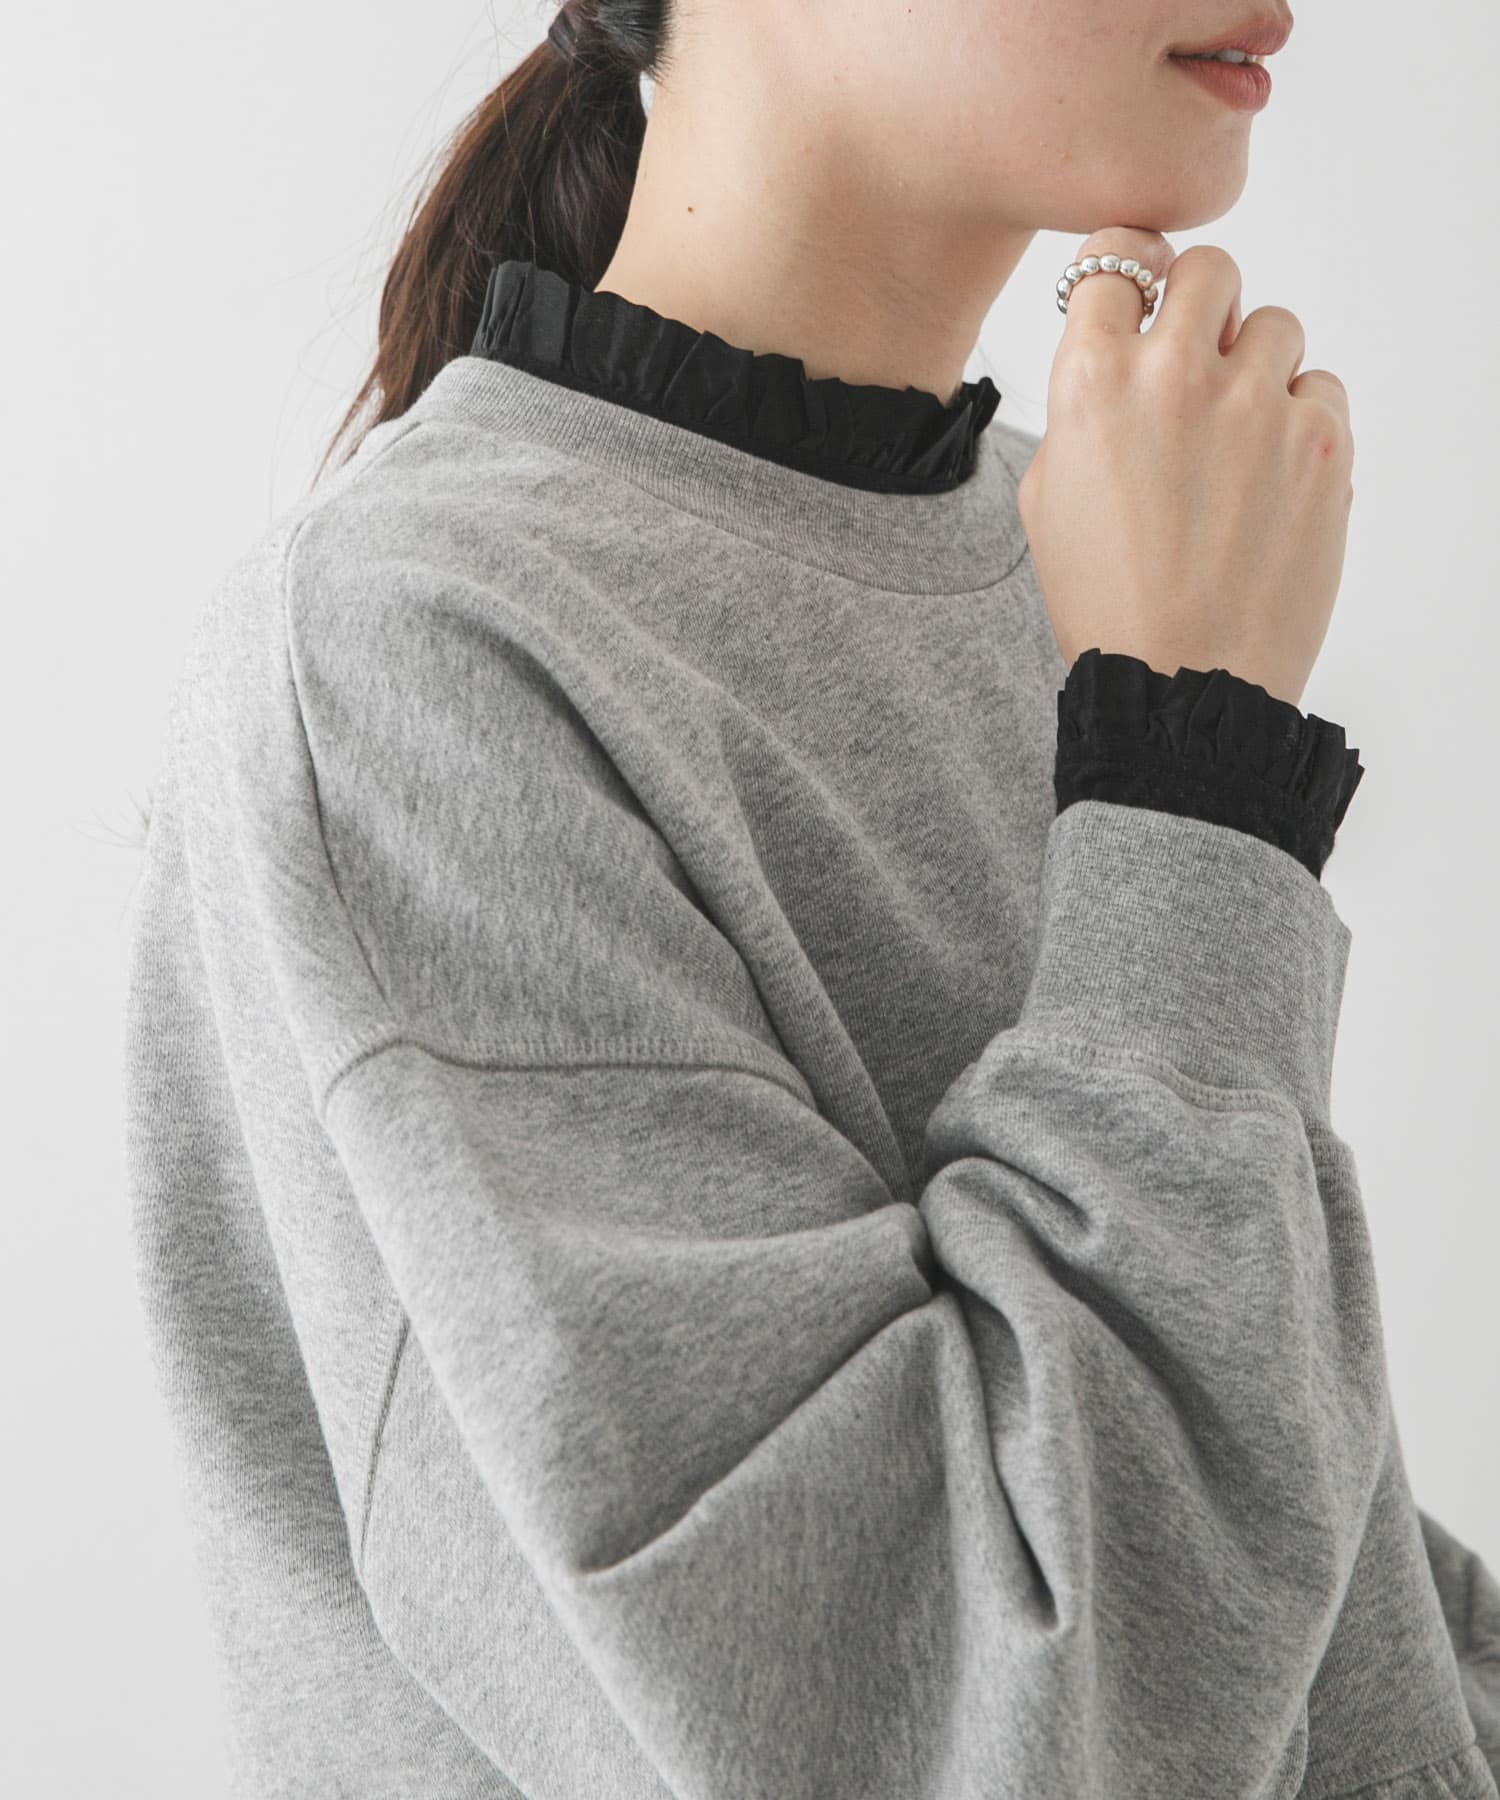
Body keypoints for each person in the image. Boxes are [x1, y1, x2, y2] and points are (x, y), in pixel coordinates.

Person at [123, 1, 1499, 1794]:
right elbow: (982, 1730)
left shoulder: (1079, 539)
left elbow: (1311, 1590)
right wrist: (1190, 766)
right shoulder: (411, 658)